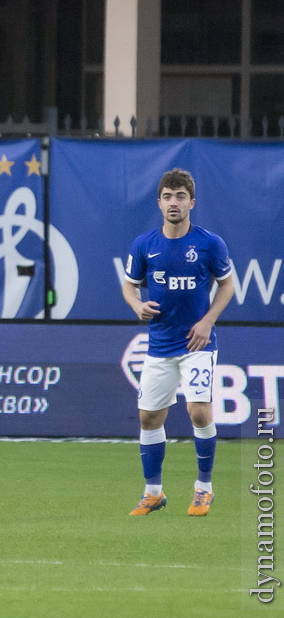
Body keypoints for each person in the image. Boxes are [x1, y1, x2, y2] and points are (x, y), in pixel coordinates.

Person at [121, 168, 234, 518]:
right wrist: (137, 304)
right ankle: (153, 492)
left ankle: (204, 488)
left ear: (192, 202)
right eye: (168, 196)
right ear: (159, 203)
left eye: (180, 196)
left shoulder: (209, 243)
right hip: (160, 345)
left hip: (197, 343)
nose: (174, 202)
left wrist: (207, 321)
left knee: (198, 410)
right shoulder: (145, 245)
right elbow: (129, 284)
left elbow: (227, 285)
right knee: (149, 417)